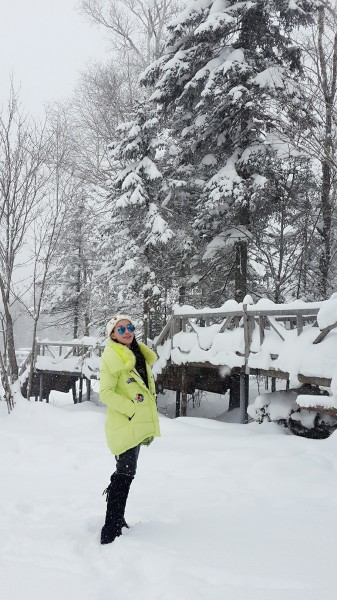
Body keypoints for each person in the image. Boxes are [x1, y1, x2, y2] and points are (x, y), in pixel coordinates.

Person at [99, 314, 160, 544]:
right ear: (112, 334)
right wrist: (132, 409)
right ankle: (110, 528)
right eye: (121, 329)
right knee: (124, 473)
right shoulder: (111, 356)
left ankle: (117, 518)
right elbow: (105, 393)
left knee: (127, 472)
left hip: (135, 423)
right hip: (124, 423)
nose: (127, 332)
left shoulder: (138, 354)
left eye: (130, 327)